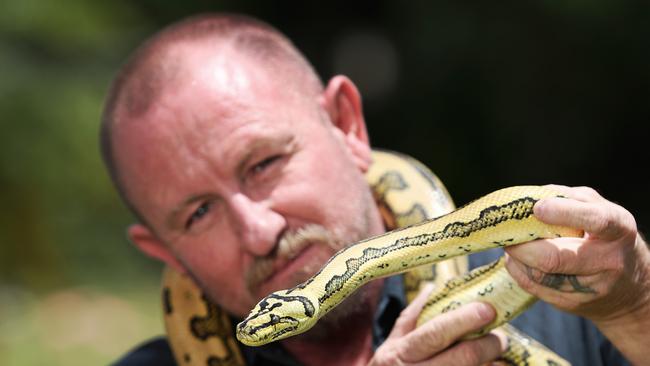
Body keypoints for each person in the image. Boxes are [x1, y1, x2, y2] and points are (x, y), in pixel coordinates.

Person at [100, 12, 649, 366]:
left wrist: (636, 306)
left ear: (347, 125)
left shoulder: (568, 278)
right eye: (198, 214)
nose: (260, 231)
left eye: (264, 163)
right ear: (161, 251)